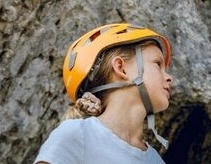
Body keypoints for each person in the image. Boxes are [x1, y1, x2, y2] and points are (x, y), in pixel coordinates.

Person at [35, 23, 173, 164]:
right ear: (121, 68)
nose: (169, 78)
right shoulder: (78, 135)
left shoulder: (155, 160)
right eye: (157, 64)